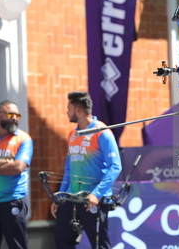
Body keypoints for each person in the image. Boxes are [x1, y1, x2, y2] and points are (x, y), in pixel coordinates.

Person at [51, 91, 122, 249]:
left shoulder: (102, 132)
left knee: (99, 244)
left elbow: (115, 166)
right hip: (72, 198)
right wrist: (60, 197)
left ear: (78, 110)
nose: (66, 112)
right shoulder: (72, 134)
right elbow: (68, 168)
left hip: (92, 200)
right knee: (62, 240)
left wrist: (96, 194)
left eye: (68, 108)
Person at [0, 100, 33, 249]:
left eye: (18, 115)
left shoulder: (24, 139)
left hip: (12, 201)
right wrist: (4, 162)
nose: (15, 118)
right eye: (11, 114)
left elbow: (17, 167)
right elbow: (10, 166)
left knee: (17, 245)